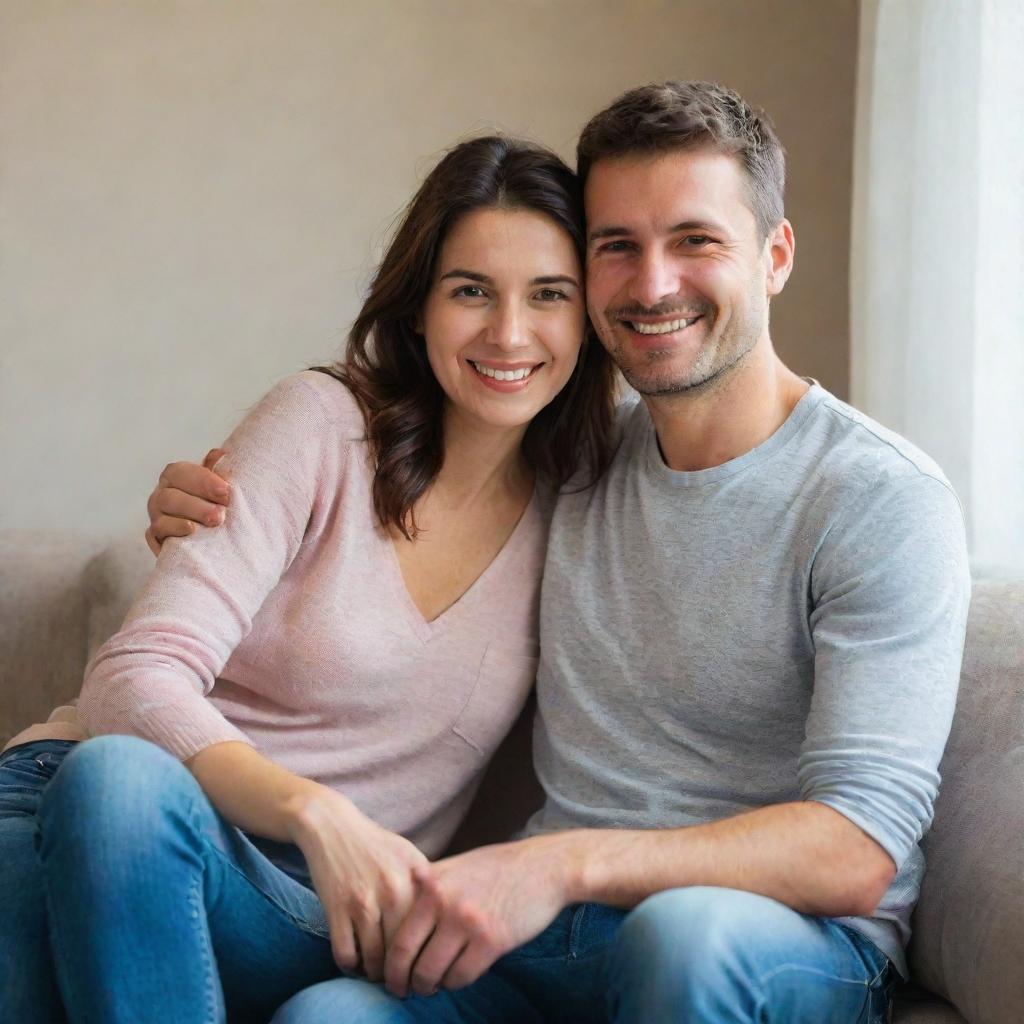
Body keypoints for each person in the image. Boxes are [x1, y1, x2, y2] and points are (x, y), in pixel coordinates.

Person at [153, 80, 972, 1024]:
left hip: (776, 944)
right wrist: (214, 508)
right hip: (551, 942)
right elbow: (391, 484)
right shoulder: (571, 459)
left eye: (696, 240)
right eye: (617, 246)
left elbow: (858, 847)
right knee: (328, 1017)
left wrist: (561, 861)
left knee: (684, 934)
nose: (653, 283)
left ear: (775, 255)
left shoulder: (878, 498)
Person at [0, 134, 617, 1023]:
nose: (509, 332)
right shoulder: (322, 427)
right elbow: (133, 677)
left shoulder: (595, 502)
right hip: (89, 812)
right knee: (113, 785)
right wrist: (317, 813)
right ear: (417, 310)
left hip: (307, 907)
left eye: (549, 295)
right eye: (470, 290)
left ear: (589, 317)